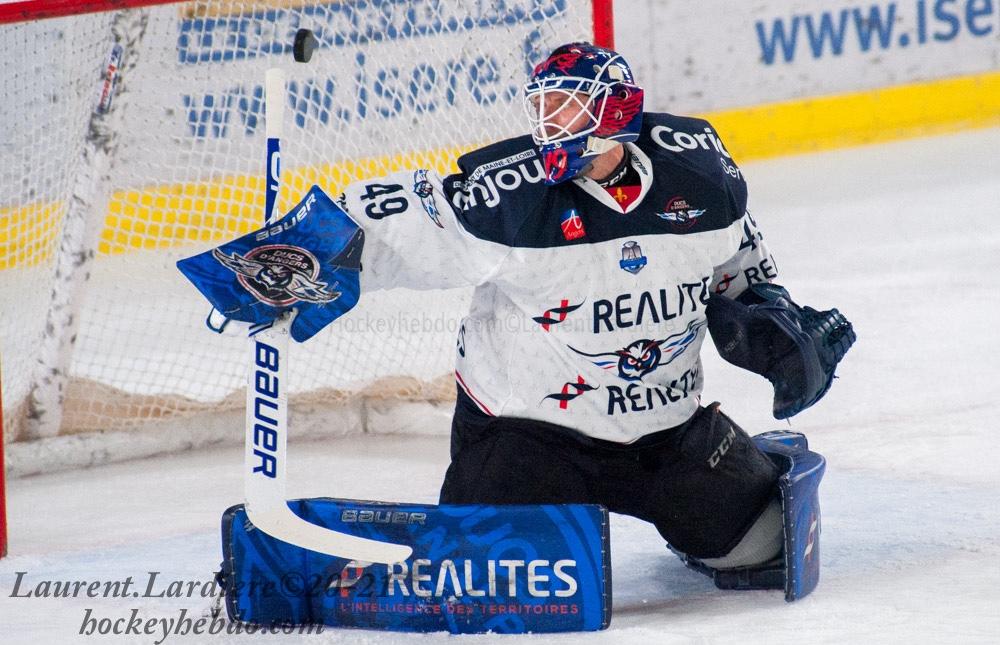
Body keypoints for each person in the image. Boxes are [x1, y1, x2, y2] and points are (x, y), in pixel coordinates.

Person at [186, 42, 853, 597]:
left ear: (615, 110)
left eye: (567, 106)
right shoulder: (509, 196)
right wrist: (289, 264)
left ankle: (723, 485)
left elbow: (741, 269)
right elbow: (397, 223)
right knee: (486, 580)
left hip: (667, 434)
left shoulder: (702, 179)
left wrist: (774, 324)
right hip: (529, 441)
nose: (549, 124)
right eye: (543, 107)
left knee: (760, 547)